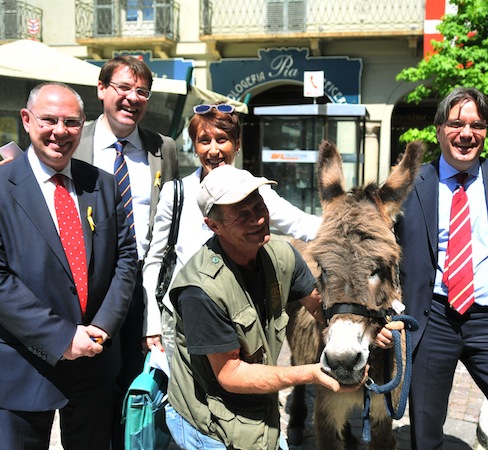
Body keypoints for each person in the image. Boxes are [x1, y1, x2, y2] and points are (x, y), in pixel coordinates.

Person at [0, 82, 138, 449]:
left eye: (71, 122)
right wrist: (61, 338)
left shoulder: (104, 185)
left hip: (95, 358)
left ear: (83, 124)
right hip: (24, 362)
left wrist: (102, 327)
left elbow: (126, 259)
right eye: (49, 120)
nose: (60, 131)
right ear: (27, 120)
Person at [392, 87, 488, 449]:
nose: (466, 133)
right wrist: (393, 311)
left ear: (485, 131)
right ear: (438, 129)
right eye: (456, 123)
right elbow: (385, 253)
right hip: (432, 320)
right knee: (426, 435)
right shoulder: (412, 183)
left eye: (477, 124)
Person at [165, 165, 359, 449]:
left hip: (257, 412)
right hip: (210, 425)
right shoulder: (200, 290)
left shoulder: (280, 254)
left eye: (259, 205)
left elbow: (321, 309)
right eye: (242, 214)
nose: (257, 218)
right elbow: (231, 374)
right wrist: (310, 372)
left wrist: (365, 323)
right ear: (213, 226)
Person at [142, 104, 322, 358]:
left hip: (241, 315)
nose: (213, 149)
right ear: (195, 147)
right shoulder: (177, 193)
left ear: (237, 145)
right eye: (204, 140)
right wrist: (151, 324)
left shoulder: (255, 191)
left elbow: (303, 225)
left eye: (222, 139)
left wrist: (358, 227)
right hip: (184, 316)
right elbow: (156, 259)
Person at [72, 55, 178, 448]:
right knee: (91, 383)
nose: (133, 98)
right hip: (91, 286)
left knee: (138, 381)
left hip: (144, 286)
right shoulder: (73, 141)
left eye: (142, 92)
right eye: (124, 88)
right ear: (101, 90)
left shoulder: (161, 149)